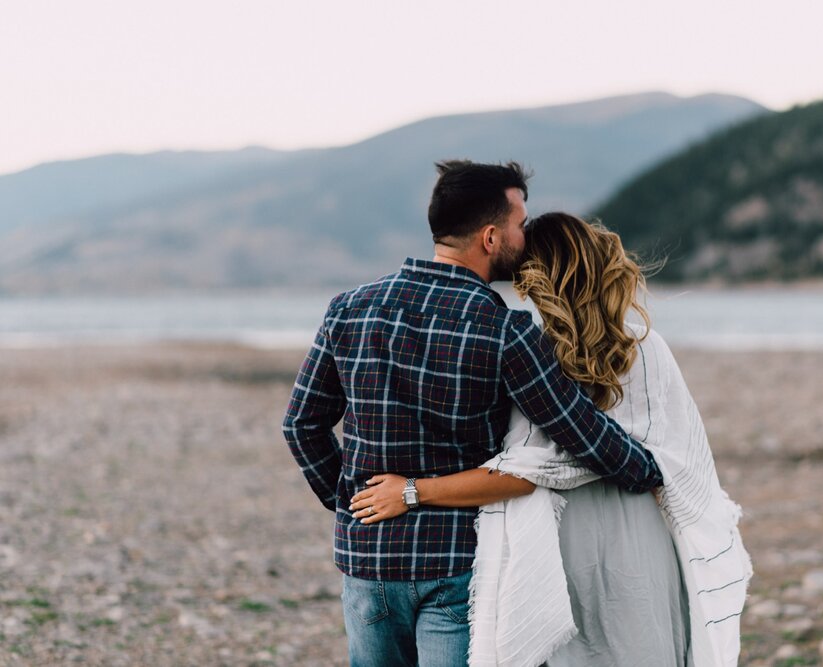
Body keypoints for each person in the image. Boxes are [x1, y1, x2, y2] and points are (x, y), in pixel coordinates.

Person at [281, 163, 664, 667]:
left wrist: (353, 504)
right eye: (519, 224)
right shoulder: (505, 330)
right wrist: (651, 471)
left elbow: (301, 424)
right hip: (458, 565)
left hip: (367, 558)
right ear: (490, 236)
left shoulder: (349, 309)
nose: (524, 237)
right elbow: (580, 432)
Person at [351, 213, 752, 666]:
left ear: (531, 281)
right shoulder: (645, 345)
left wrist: (412, 491)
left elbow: (525, 469)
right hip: (636, 529)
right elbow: (674, 459)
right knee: (639, 644)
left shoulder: (532, 349)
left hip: (557, 534)